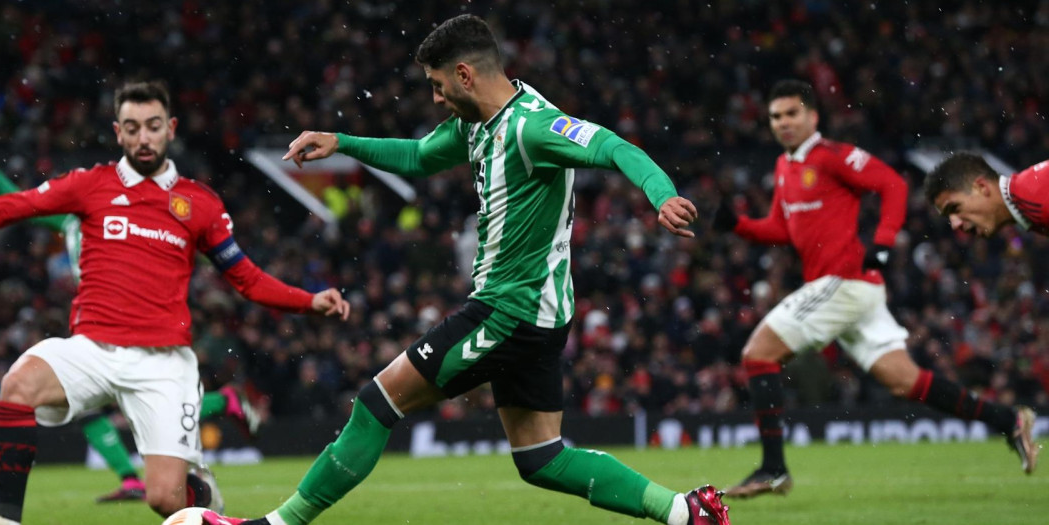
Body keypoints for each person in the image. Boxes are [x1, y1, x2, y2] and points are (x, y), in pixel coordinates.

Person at [198, 14, 729, 525]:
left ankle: (276, 524)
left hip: (508, 311)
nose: (435, 97)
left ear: (464, 75)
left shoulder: (533, 127)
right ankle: (687, 511)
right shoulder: (477, 125)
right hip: (540, 314)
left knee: (376, 403)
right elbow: (418, 158)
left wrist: (661, 195)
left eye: (435, 84)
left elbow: (611, 145)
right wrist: (342, 142)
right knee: (542, 459)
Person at [0, 81, 351, 525]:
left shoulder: (200, 203)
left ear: (170, 128)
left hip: (163, 364)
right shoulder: (90, 185)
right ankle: (3, 519)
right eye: (132, 127)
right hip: (92, 349)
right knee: (18, 383)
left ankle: (197, 497)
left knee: (164, 502)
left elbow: (245, 278)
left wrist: (310, 301)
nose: (143, 138)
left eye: (153, 126)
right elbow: (10, 208)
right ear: (118, 131)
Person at [711, 79, 1038, 499]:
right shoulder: (783, 167)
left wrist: (882, 244)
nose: (784, 122)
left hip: (844, 282)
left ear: (813, 116)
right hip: (847, 292)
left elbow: (893, 185)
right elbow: (781, 228)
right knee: (906, 381)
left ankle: (772, 469)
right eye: (776, 116)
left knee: (757, 353)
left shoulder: (832, 156)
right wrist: (736, 224)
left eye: (792, 113)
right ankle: (1008, 420)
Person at [0, 169, 264, 503]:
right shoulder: (70, 222)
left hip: (139, 321)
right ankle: (132, 478)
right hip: (100, 325)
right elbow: (24, 202)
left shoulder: (122, 213)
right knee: (91, 408)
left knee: (142, 403)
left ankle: (220, 406)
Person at [923, 153, 1049, 237]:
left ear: (982, 187)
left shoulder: (1039, 200)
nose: (955, 224)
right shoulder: (1028, 200)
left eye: (954, 208)